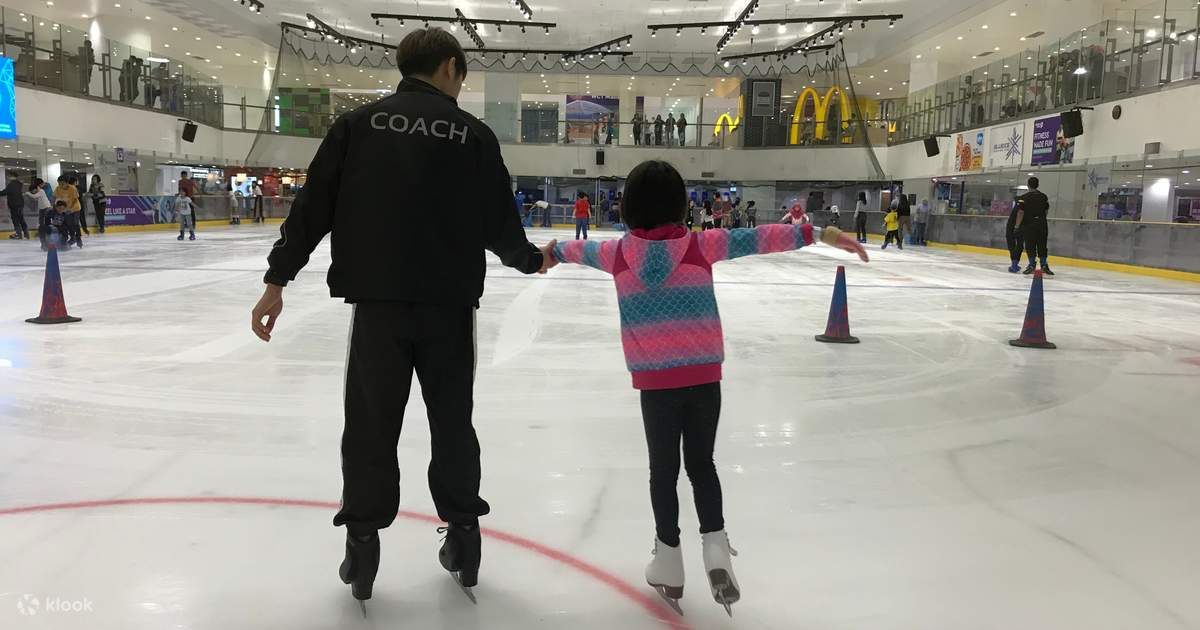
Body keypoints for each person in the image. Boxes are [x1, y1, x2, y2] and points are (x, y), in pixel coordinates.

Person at [250, 28, 556, 605]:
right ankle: (464, 539)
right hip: (448, 308)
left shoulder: (358, 126)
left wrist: (277, 279)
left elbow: (312, 205)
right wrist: (526, 258)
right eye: (461, 77)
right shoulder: (473, 135)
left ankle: (362, 548)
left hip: (378, 307)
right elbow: (498, 219)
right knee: (452, 422)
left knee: (369, 425)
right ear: (448, 68)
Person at [549, 159, 868, 613]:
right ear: (681, 206)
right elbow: (760, 238)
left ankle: (669, 561)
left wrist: (549, 252)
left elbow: (571, 251)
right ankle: (716, 551)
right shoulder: (702, 245)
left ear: (628, 208)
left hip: (656, 381)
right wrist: (822, 234)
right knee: (702, 464)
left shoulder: (616, 254)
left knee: (663, 471)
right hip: (703, 375)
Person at [1017, 177, 1054, 275]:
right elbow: (1046, 210)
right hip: (1042, 224)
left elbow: (1021, 212)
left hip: (1029, 225)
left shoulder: (1024, 198)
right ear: (1037, 185)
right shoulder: (1043, 197)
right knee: (1042, 244)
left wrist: (1017, 225)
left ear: (1028, 185)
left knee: (1030, 245)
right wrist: (1040, 218)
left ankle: (1032, 264)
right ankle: (1043, 264)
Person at [54, 176, 83, 248]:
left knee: (75, 223)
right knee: (69, 224)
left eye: (62, 183)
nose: (60, 185)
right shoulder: (58, 188)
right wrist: (56, 208)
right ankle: (73, 238)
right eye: (59, 183)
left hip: (75, 208)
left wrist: (70, 209)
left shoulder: (72, 188)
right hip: (65, 209)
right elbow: (56, 198)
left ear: (67, 183)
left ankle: (78, 238)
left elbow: (75, 200)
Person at [25, 179, 53, 249]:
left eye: (33, 191)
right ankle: (43, 239)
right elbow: (36, 198)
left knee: (46, 224)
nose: (33, 193)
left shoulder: (41, 191)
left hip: (47, 208)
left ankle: (46, 238)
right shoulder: (40, 192)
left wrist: (27, 193)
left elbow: (34, 196)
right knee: (41, 224)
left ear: (35, 188)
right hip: (42, 209)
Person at [1005, 194, 1029, 273]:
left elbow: (1020, 212)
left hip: (1013, 226)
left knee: (1012, 244)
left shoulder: (1020, 203)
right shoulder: (1026, 204)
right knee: (1019, 244)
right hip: (1021, 226)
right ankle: (1015, 263)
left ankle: (1014, 264)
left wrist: (1016, 226)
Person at [6, 172, 29, 240]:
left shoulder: (12, 184)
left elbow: (5, 192)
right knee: (21, 219)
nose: (8, 177)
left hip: (14, 205)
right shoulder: (19, 184)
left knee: (15, 219)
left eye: (9, 176)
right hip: (19, 204)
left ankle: (18, 234)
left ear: (12, 176)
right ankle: (26, 234)